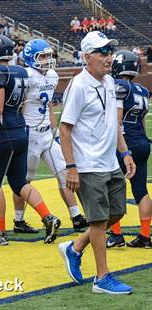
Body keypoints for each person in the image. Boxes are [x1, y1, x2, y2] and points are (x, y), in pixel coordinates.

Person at [58, 31, 135, 294]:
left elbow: (114, 124)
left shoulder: (110, 81)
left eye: (110, 51)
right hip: (88, 164)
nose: (109, 57)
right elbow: (65, 129)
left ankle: (75, 247)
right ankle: (102, 278)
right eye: (103, 52)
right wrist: (71, 167)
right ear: (86, 56)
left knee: (117, 213)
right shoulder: (78, 85)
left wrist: (125, 153)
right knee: (100, 221)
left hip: (110, 162)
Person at [0, 35, 61, 246]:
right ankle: (48, 217)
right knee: (19, 182)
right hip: (21, 132)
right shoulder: (22, 71)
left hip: (3, 134)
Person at [12, 39, 88, 234]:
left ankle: (76, 217)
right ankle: (19, 220)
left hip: (47, 134)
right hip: (29, 136)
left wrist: (54, 132)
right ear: (31, 58)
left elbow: (48, 107)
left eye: (48, 56)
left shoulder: (52, 76)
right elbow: (16, 107)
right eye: (42, 57)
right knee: (23, 181)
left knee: (65, 174)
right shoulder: (27, 76)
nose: (47, 60)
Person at [106, 50, 151, 248]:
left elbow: (116, 121)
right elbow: (141, 122)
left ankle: (116, 235)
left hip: (124, 143)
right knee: (141, 190)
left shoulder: (119, 86)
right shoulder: (142, 89)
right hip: (142, 141)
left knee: (113, 188)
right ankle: (145, 235)